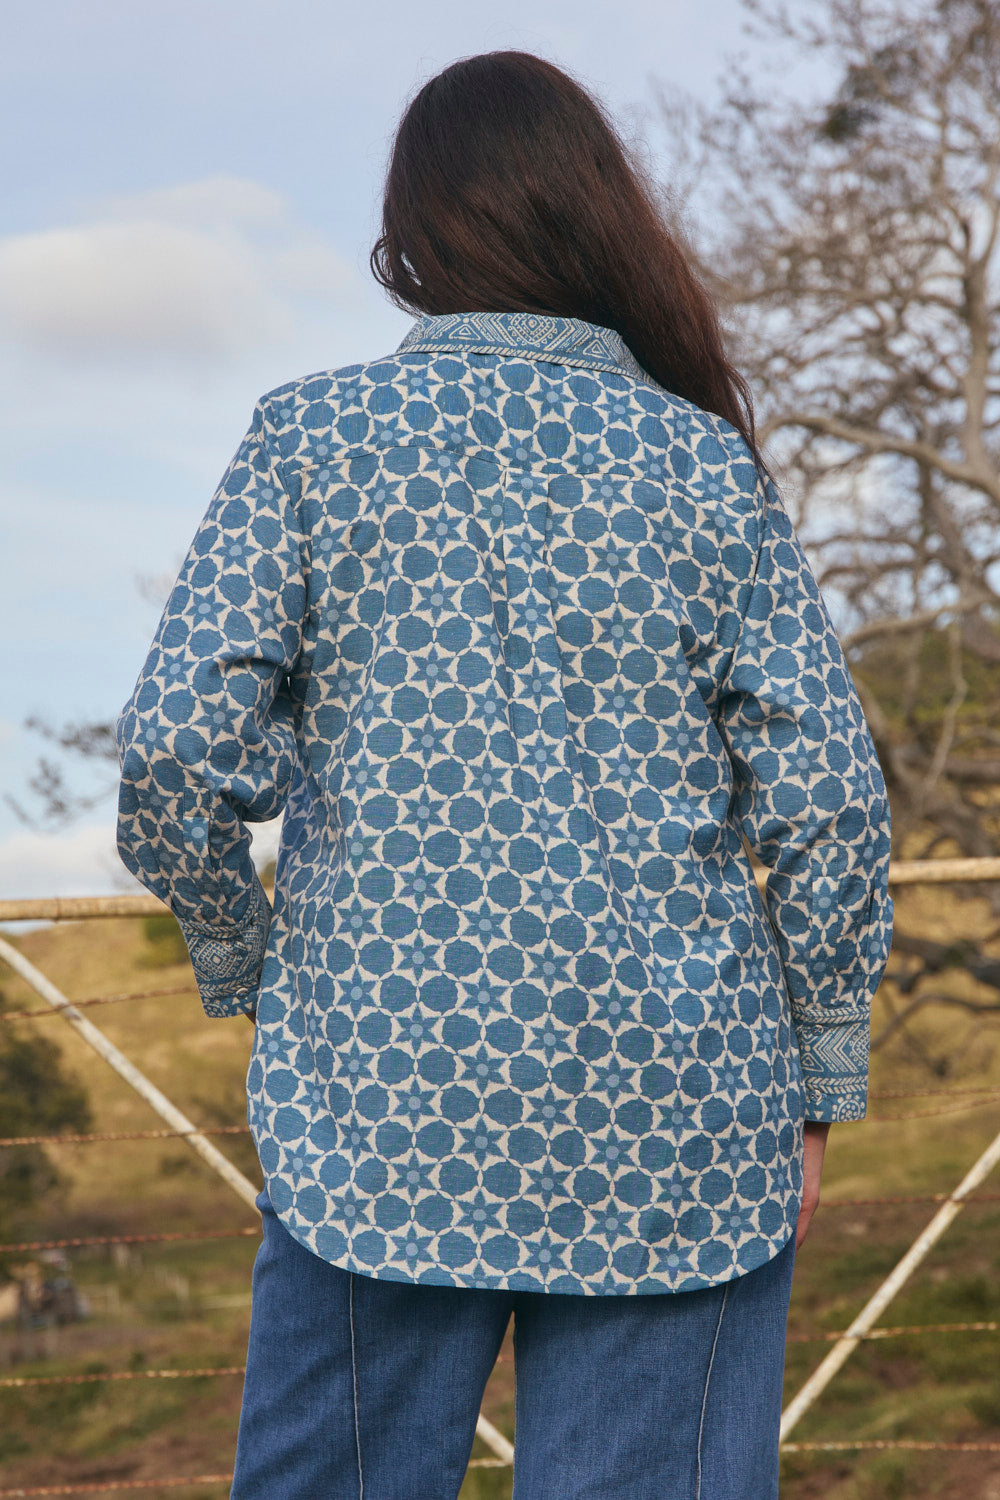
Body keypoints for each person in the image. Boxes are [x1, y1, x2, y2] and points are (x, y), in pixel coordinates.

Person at [114, 48, 893, 1500]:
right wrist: (818, 1075)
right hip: (682, 1122)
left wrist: (253, 966)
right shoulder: (702, 467)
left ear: (412, 238)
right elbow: (833, 801)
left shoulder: (311, 439)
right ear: (597, 219)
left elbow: (173, 755)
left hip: (381, 1107)